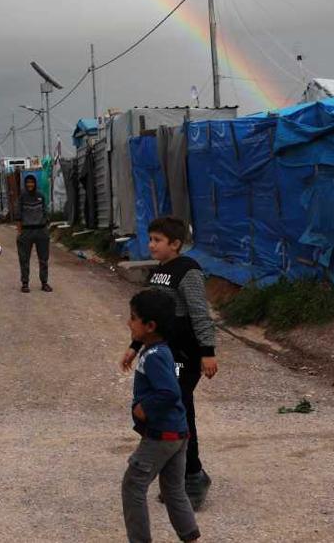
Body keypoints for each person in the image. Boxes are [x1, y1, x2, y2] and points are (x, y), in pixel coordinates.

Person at [118, 216, 216, 510]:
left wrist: (207, 352)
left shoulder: (188, 271)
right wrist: (135, 346)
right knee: (170, 412)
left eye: (157, 240)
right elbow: (150, 318)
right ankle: (182, 476)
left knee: (179, 411)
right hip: (162, 354)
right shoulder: (158, 272)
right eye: (150, 239)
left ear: (175, 244)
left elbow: (200, 313)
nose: (151, 245)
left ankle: (194, 477)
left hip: (185, 355)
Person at [122, 288, 201, 543]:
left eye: (133, 318)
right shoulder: (159, 349)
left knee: (133, 486)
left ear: (150, 326)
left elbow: (169, 392)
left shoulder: (155, 356)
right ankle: (191, 538)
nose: (128, 322)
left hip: (162, 436)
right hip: (178, 433)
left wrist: (144, 408)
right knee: (174, 490)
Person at [16, 175, 51, 293]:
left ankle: (44, 283)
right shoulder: (22, 197)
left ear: (35, 183)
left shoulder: (40, 196)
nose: (30, 185)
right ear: (25, 184)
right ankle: (25, 283)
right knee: (24, 259)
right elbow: (18, 216)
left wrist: (46, 226)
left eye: (32, 182)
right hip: (26, 231)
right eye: (28, 183)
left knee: (43, 259)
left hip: (41, 231)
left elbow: (45, 212)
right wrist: (20, 232)